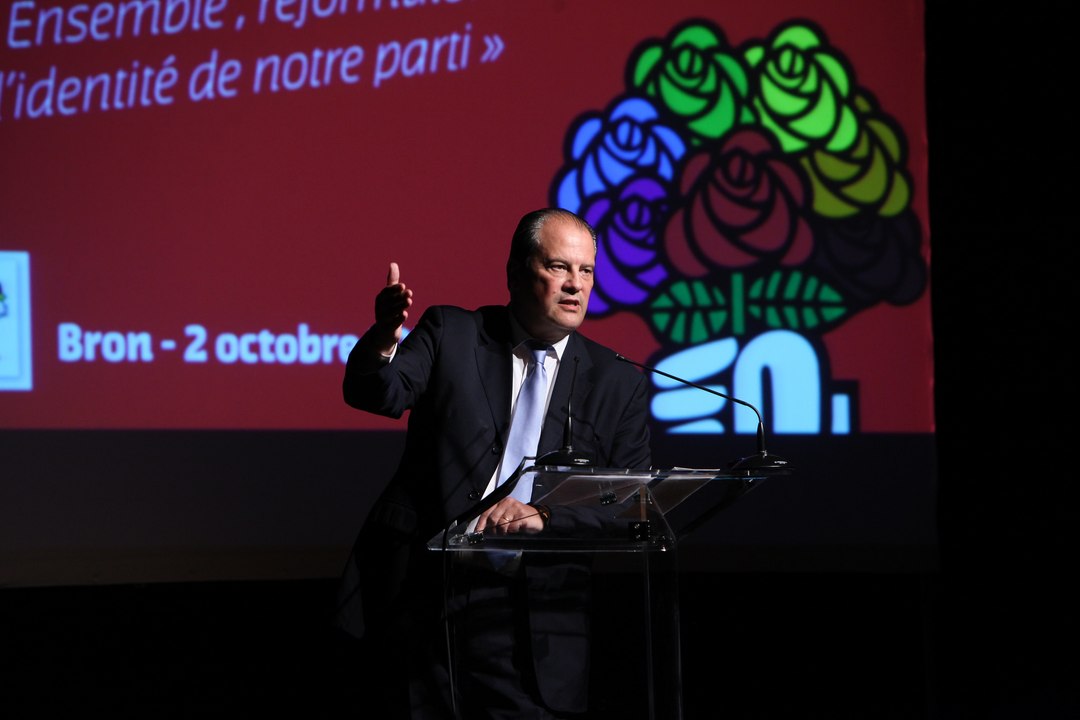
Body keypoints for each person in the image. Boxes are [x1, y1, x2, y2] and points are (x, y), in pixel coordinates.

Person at [335, 207, 652, 719]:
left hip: (532, 622)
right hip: (420, 599)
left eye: (586, 271)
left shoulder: (617, 381)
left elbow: (629, 500)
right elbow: (379, 394)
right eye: (558, 267)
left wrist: (545, 517)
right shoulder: (453, 333)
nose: (575, 285)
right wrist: (381, 340)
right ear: (515, 273)